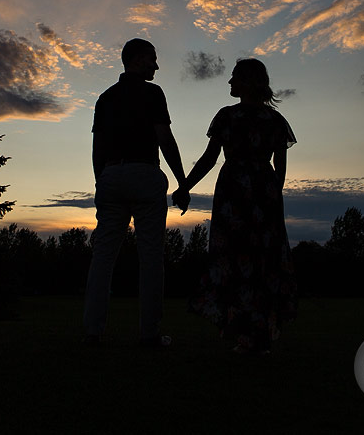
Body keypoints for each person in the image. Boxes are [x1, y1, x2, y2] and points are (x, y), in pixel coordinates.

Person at [174, 57, 297, 354]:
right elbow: (279, 169)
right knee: (258, 262)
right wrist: (271, 197)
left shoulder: (228, 116)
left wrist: (185, 186)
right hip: (261, 193)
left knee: (236, 259)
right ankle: (254, 334)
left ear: (247, 81)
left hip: (235, 192)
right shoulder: (274, 121)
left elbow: (209, 159)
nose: (229, 82)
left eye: (234, 77)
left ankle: (246, 333)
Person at [83, 39, 189, 346]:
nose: (156, 66)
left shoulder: (105, 98)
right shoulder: (152, 93)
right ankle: (149, 333)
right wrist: (182, 181)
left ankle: (93, 331)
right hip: (144, 173)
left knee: (103, 257)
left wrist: (100, 181)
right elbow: (165, 139)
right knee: (151, 256)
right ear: (138, 59)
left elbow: (97, 148)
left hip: (111, 176)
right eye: (152, 59)